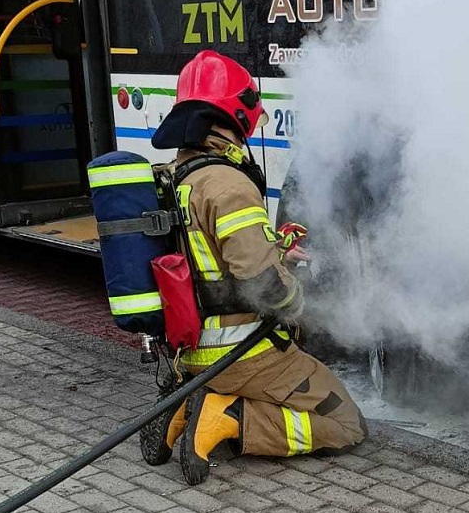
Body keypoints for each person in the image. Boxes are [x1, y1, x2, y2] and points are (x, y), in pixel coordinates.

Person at [147, 50, 366, 484]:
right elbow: (264, 287)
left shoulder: (179, 174)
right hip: (242, 352)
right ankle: (226, 416)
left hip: (192, 352)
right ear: (235, 114)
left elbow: (212, 263)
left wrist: (276, 255)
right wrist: (300, 300)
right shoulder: (227, 183)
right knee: (346, 423)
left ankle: (184, 409)